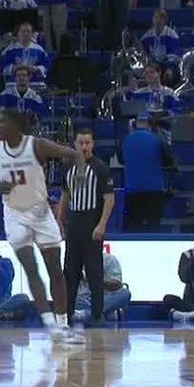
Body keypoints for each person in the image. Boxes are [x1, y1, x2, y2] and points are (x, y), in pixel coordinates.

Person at [0, 108, 86, 343]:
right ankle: (51, 325)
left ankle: (63, 324)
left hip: (41, 212)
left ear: (16, 126)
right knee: (31, 269)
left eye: (2, 122)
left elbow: (76, 155)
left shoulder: (37, 146)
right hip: (14, 214)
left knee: (55, 270)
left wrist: (79, 174)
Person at [57, 128, 115, 325]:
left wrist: (101, 224)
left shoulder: (100, 167)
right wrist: (60, 220)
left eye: (87, 143)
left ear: (93, 144)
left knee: (94, 272)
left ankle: (97, 315)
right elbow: (65, 195)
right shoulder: (67, 166)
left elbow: (109, 198)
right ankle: (68, 314)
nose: (84, 147)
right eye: (80, 143)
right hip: (73, 225)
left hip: (91, 225)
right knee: (70, 272)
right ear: (74, 144)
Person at [73, 251, 131, 323]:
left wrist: (92, 279)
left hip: (105, 298)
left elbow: (117, 284)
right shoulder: (74, 260)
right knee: (69, 297)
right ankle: (103, 313)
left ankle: (89, 314)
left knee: (124, 293)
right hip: (83, 299)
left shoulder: (110, 259)